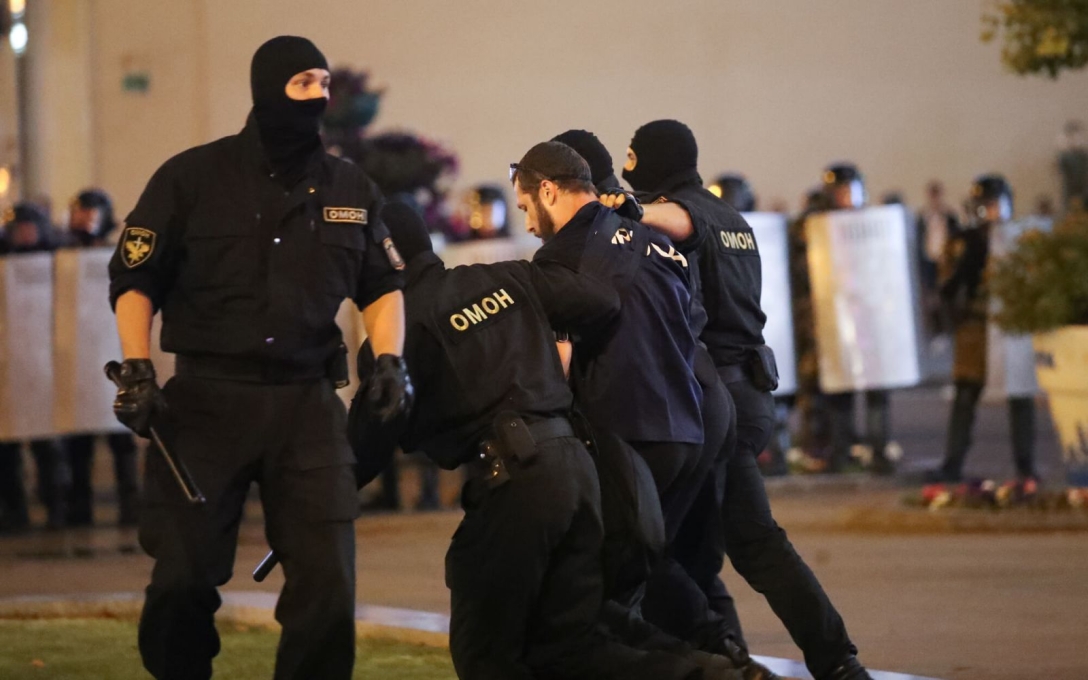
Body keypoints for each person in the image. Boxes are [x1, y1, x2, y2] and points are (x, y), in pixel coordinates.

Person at [107, 36, 410, 680]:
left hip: (307, 406)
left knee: (328, 582)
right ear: (269, 88)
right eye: (304, 83)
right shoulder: (191, 177)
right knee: (182, 579)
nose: (319, 96)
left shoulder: (350, 186)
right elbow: (135, 279)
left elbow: (382, 286)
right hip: (206, 405)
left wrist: (390, 361)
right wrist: (136, 369)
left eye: (324, 83)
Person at [352, 201, 722, 680]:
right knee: (571, 647)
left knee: (485, 654)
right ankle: (717, 675)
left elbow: (368, 442)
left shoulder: (395, 337)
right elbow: (599, 300)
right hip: (576, 469)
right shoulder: (508, 277)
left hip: (515, 484)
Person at [616, 121, 873, 680]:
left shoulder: (686, 213)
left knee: (652, 548)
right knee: (729, 547)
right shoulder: (732, 218)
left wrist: (618, 210)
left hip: (716, 402)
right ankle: (831, 662)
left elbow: (678, 221)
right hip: (749, 393)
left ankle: (731, 659)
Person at [926, 175, 1037, 485]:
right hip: (975, 326)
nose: (990, 212)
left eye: (995, 205)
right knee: (965, 394)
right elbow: (947, 285)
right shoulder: (964, 241)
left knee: (1020, 395)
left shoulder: (1020, 238)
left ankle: (1026, 467)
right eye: (985, 206)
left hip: (1011, 326)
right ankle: (953, 462)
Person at [55, 189, 141, 527]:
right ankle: (79, 508)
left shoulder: (114, 254)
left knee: (121, 442)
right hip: (77, 365)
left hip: (112, 356)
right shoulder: (62, 254)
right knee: (79, 447)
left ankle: (130, 506)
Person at [819, 163, 895, 475]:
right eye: (840, 192)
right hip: (836, 319)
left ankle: (878, 449)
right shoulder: (820, 227)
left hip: (871, 319)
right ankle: (841, 450)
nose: (845, 198)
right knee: (840, 389)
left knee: (876, 389)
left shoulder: (875, 225)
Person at [0, 203, 69, 532]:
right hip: (8, 369)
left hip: (43, 369)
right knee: (6, 450)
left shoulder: (58, 262)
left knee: (47, 449)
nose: (26, 234)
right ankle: (15, 512)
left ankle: (55, 508)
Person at [916, 181, 961, 338]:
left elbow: (956, 236)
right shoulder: (923, 216)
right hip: (928, 260)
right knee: (930, 295)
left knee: (946, 293)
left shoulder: (949, 216)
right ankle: (934, 329)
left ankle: (947, 327)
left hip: (945, 260)